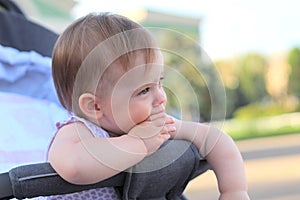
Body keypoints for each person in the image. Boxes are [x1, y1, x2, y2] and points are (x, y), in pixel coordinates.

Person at [48, 12, 250, 199]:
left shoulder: (156, 126)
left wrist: (234, 190)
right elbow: (73, 167)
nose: (161, 97)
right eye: (144, 90)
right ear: (95, 107)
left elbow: (215, 140)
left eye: (159, 82)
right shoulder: (77, 133)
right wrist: (138, 143)